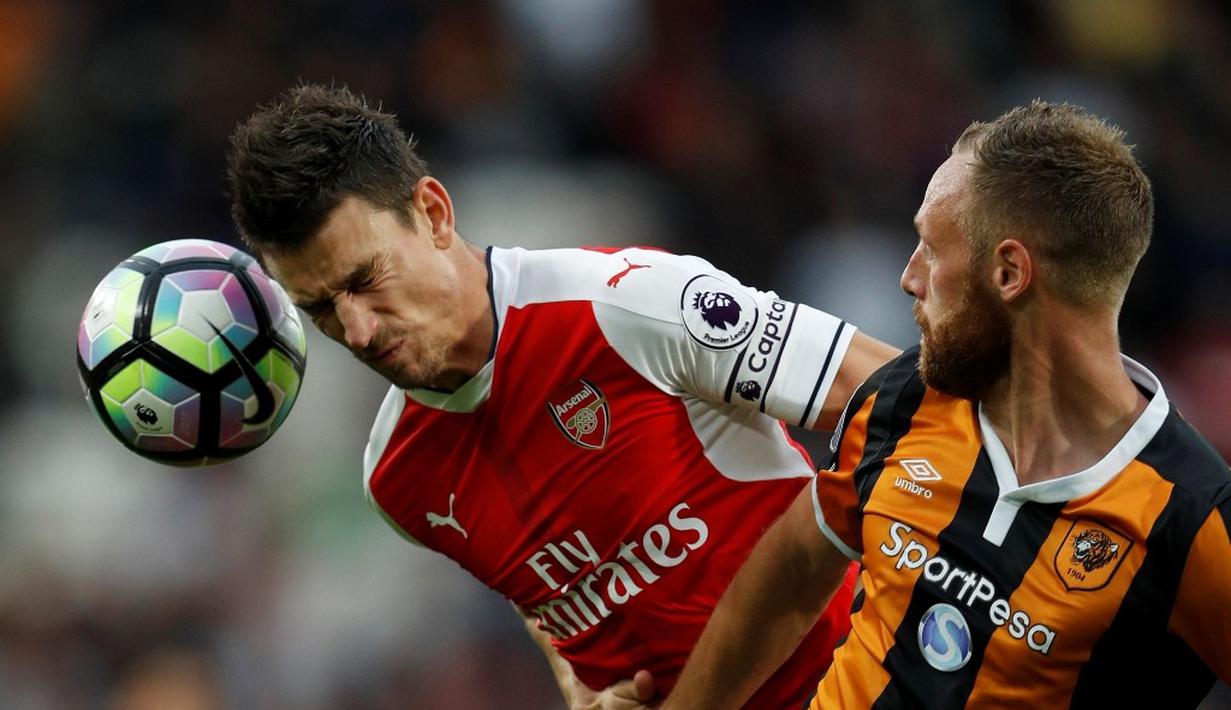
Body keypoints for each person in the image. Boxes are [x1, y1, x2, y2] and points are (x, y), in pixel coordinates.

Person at [224, 84, 899, 709]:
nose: (358, 331)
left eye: (366, 280)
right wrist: (578, 688)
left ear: (432, 213)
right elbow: (543, 591)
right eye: (320, 310)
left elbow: (900, 398)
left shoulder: (621, 302)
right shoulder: (397, 481)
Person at [653, 101, 1231, 709]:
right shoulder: (904, 399)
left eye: (930, 247)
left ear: (1009, 272)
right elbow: (794, 570)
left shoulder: (1191, 519)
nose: (909, 276)